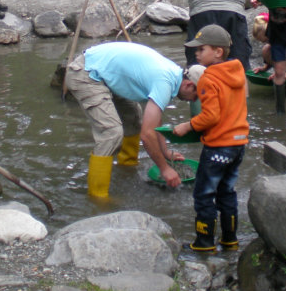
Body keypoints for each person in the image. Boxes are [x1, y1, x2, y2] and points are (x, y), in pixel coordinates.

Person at [64, 42, 201, 198]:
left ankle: (127, 167)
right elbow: (147, 134)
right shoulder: (165, 82)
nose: (193, 101)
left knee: (134, 117)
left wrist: (165, 152)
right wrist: (165, 169)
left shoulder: (175, 76)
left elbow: (155, 122)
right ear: (189, 84)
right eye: (196, 96)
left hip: (105, 72)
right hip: (86, 73)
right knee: (112, 133)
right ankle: (98, 198)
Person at [173, 24, 249, 253]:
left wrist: (188, 126)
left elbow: (211, 116)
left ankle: (204, 242)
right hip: (238, 143)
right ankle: (230, 239)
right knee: (227, 192)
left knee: (204, 194)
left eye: (201, 49)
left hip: (218, 146)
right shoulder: (237, 72)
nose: (196, 54)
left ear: (218, 52)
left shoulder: (208, 79)